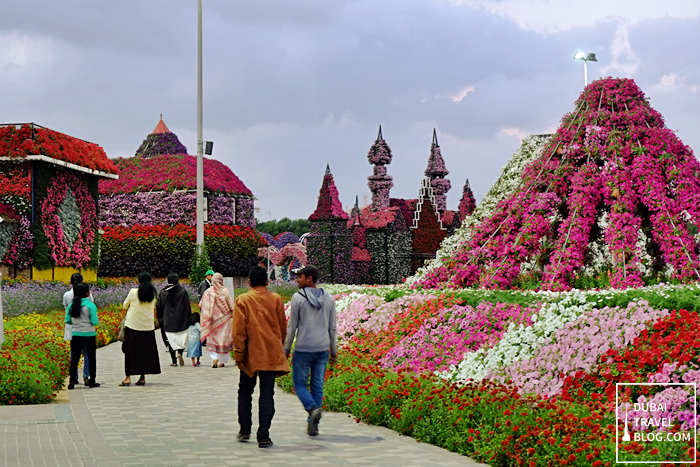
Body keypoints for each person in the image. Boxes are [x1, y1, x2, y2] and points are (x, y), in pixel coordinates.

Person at [233, 266, 290, 448]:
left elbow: (238, 331)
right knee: (267, 394)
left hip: (250, 355)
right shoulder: (275, 299)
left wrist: (239, 354)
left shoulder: (243, 300)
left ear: (249, 282)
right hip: (271, 354)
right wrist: (277, 344)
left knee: (245, 391)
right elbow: (282, 329)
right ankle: (263, 436)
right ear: (267, 282)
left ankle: (245, 430)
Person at [284, 265, 338, 437]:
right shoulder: (329, 298)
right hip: (322, 348)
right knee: (317, 386)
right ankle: (313, 422)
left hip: (303, 349)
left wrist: (285, 349)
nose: (297, 280)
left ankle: (312, 408)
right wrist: (334, 351)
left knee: (299, 384)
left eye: (300, 276)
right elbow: (332, 328)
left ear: (309, 279)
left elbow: (292, 327)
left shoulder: (298, 298)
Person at [120, 271, 162, 386]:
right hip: (148, 327)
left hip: (133, 326)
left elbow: (124, 306)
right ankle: (142, 378)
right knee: (144, 353)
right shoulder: (153, 294)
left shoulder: (133, 292)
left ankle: (127, 378)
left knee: (130, 352)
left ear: (139, 280)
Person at [65, 283, 100, 389]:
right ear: (87, 293)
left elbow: (67, 320)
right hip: (89, 334)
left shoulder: (72, 305)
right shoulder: (90, 305)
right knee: (90, 357)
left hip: (76, 334)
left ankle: (72, 381)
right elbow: (94, 321)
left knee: (75, 357)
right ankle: (92, 379)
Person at [156, 272, 192, 367]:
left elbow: (159, 307)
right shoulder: (183, 291)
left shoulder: (163, 292)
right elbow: (187, 305)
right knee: (181, 338)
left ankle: (174, 361)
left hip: (168, 321)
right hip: (181, 320)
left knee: (170, 339)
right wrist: (188, 317)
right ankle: (180, 353)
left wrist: (160, 319)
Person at [199, 272, 234, 368]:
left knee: (213, 340)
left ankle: (214, 358)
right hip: (225, 321)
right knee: (224, 340)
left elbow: (202, 305)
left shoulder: (208, 292)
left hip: (211, 322)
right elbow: (232, 305)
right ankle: (222, 362)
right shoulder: (225, 291)